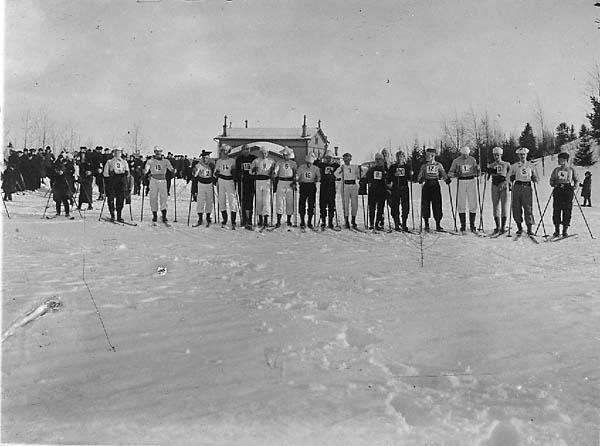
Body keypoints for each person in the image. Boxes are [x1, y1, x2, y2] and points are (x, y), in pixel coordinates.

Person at [508, 147, 539, 235]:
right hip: (517, 186)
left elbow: (537, 177)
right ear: (518, 155)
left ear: (526, 155)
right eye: (520, 155)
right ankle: (519, 227)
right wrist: (510, 180)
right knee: (516, 207)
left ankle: (529, 228)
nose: (522, 156)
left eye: (524, 154)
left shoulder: (531, 166)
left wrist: (534, 178)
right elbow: (508, 177)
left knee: (528, 207)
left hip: (527, 187)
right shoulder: (514, 166)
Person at [448, 146, 480, 232]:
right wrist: (455, 174)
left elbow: (477, 171)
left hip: (471, 180)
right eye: (463, 154)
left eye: (466, 154)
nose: (465, 156)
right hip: (461, 181)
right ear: (461, 153)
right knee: (461, 202)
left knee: (472, 201)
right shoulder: (456, 161)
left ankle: (472, 225)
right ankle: (463, 225)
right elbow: (450, 172)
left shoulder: (472, 160)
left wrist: (478, 170)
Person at [417, 147, 449, 232]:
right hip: (427, 185)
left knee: (437, 204)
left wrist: (446, 179)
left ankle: (438, 224)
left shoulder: (438, 165)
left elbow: (443, 173)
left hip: (435, 185)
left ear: (433, 156)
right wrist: (420, 179)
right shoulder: (424, 166)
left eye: (428, 155)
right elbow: (420, 175)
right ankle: (426, 223)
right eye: (426, 155)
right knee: (425, 204)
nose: (426, 157)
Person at [549, 152, 579, 237]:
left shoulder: (571, 169)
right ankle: (557, 230)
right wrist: (553, 184)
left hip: (567, 190)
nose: (558, 161)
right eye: (558, 159)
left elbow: (576, 179)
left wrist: (575, 186)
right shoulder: (556, 169)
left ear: (565, 160)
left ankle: (565, 230)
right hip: (558, 190)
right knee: (556, 210)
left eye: (560, 159)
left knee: (567, 210)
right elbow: (551, 179)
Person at [144, 146, 175, 223]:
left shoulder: (166, 161)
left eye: (159, 151)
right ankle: (154, 215)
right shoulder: (150, 161)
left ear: (161, 152)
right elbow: (146, 169)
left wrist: (173, 170)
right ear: (154, 152)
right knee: (153, 197)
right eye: (156, 151)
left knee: (164, 197)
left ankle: (164, 215)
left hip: (162, 180)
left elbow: (170, 168)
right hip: (153, 180)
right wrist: (144, 171)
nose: (158, 153)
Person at [486, 146, 511, 234]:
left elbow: (510, 174)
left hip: (503, 184)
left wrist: (509, 183)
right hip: (494, 185)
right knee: (495, 205)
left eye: (498, 155)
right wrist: (488, 171)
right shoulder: (491, 165)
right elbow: (487, 178)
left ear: (501, 155)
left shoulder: (506, 164)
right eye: (495, 155)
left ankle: (503, 226)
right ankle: (497, 226)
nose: (496, 157)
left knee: (504, 205)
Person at [334, 152, 361, 229]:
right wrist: (340, 171)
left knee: (354, 204)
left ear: (350, 159)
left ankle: (353, 219)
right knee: (345, 204)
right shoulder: (342, 167)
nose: (347, 160)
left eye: (348, 158)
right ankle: (346, 220)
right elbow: (335, 174)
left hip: (353, 185)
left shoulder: (354, 167)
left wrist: (360, 169)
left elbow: (360, 174)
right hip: (345, 185)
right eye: (345, 158)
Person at [250, 147, 275, 229]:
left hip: (267, 181)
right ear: (260, 153)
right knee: (259, 200)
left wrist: (272, 173)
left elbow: (274, 172)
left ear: (267, 153)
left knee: (266, 200)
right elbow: (250, 171)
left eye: (265, 153)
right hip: (258, 180)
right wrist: (253, 170)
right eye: (262, 153)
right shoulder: (256, 161)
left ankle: (266, 219)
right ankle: (260, 218)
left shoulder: (271, 161)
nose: (264, 155)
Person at [314, 150, 340, 229]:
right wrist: (320, 158)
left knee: (331, 205)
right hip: (323, 186)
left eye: (330, 158)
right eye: (327, 158)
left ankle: (330, 221)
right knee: (323, 205)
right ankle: (323, 221)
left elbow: (340, 170)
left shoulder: (335, 165)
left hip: (331, 187)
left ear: (332, 158)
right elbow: (315, 163)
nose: (328, 159)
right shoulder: (322, 165)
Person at [103, 148, 130, 222]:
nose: (117, 153)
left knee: (120, 198)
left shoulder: (124, 162)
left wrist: (126, 173)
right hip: (112, 181)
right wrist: (109, 175)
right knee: (111, 198)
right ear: (114, 152)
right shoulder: (109, 161)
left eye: (119, 151)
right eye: (116, 151)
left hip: (121, 181)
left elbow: (128, 173)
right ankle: (112, 214)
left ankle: (119, 215)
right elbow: (105, 173)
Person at [214, 145, 238, 229]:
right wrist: (216, 173)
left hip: (230, 181)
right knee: (221, 199)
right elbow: (215, 172)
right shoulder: (219, 161)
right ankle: (224, 219)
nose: (224, 152)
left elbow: (235, 171)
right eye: (222, 150)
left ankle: (233, 220)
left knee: (232, 200)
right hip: (221, 181)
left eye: (225, 151)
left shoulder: (232, 161)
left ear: (228, 152)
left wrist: (234, 172)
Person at [386, 150, 411, 231]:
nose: (399, 159)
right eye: (398, 157)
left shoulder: (407, 167)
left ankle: (404, 223)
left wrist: (410, 174)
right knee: (395, 206)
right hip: (395, 188)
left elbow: (410, 178)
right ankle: (396, 223)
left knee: (405, 206)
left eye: (401, 157)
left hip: (404, 188)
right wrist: (393, 176)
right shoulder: (393, 167)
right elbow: (388, 178)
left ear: (403, 158)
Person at [273, 147, 297, 228]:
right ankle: (278, 220)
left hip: (290, 182)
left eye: (287, 155)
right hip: (281, 181)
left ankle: (289, 219)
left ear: (289, 155)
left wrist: (294, 180)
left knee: (289, 201)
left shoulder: (293, 163)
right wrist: (274, 173)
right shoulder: (279, 162)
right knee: (279, 200)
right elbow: (276, 171)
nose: (285, 156)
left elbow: (295, 173)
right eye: (284, 155)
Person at [235, 145, 257, 229]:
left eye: (248, 149)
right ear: (242, 150)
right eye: (245, 149)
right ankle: (244, 219)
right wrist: (238, 174)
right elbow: (236, 170)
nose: (246, 151)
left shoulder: (253, 158)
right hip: (242, 182)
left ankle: (250, 219)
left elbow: (256, 168)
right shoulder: (239, 159)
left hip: (250, 182)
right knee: (242, 200)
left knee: (250, 201)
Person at [296, 153, 321, 229]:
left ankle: (309, 221)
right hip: (303, 185)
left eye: (310, 163)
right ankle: (302, 220)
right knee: (302, 203)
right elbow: (297, 175)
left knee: (311, 204)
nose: (308, 165)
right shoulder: (301, 167)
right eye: (307, 163)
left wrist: (317, 179)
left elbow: (319, 176)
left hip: (311, 186)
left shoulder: (315, 168)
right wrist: (295, 179)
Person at [192, 150, 215, 227]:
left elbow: (215, 174)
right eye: (204, 158)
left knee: (209, 201)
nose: (205, 159)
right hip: (201, 184)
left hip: (209, 184)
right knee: (200, 201)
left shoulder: (211, 164)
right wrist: (194, 171)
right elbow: (195, 174)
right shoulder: (199, 165)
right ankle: (200, 218)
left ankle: (208, 217)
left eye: (207, 158)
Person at [365, 153, 388, 230]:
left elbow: (388, 179)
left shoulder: (385, 169)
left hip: (382, 191)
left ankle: (378, 223)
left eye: (380, 159)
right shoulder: (371, 169)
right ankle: (371, 223)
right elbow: (366, 178)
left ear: (382, 160)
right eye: (377, 159)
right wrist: (364, 182)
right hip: (373, 191)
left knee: (380, 208)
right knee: (372, 208)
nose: (378, 161)